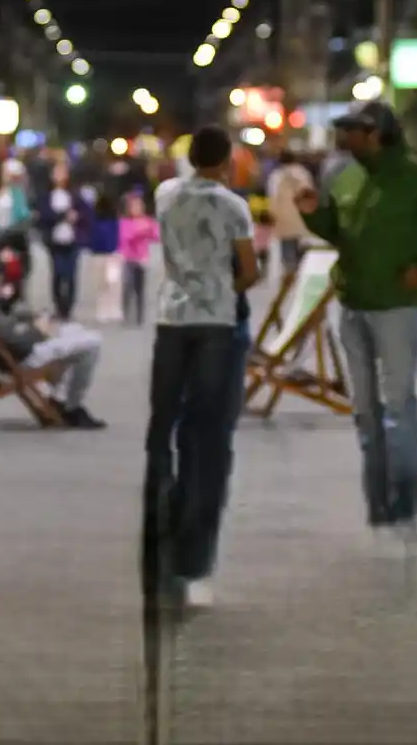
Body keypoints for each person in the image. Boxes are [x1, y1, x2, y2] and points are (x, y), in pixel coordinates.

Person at [295, 101, 417, 545]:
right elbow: (342, 232)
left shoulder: (414, 179)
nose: (342, 137)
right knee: (365, 413)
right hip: (353, 306)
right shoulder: (346, 177)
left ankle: (404, 504)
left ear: (374, 134)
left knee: (398, 407)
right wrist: (315, 215)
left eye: (350, 129)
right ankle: (377, 506)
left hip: (397, 308)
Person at [145, 126, 260, 609]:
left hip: (172, 322)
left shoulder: (165, 195)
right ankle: (194, 563)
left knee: (165, 433)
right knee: (208, 438)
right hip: (216, 325)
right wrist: (223, 287)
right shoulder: (233, 206)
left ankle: (160, 545)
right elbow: (249, 271)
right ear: (227, 160)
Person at [0, 249, 106, 429]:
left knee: (74, 331)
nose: (1, 282)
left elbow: (5, 325)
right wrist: (39, 331)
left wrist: (32, 321)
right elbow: (9, 337)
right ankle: (70, 405)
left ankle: (63, 398)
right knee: (92, 342)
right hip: (24, 356)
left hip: (20, 351)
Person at [39, 164, 86, 320]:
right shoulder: (47, 195)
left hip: (72, 240)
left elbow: (85, 213)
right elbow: (45, 215)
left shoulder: (74, 194)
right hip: (55, 241)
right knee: (58, 274)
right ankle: (59, 306)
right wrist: (63, 215)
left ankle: (68, 308)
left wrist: (77, 217)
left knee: (71, 275)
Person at [265, 150, 315, 274]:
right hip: (302, 215)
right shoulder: (303, 173)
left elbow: (272, 195)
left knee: (287, 246)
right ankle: (298, 267)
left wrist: (271, 212)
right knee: (301, 243)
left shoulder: (277, 175)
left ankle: (290, 271)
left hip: (284, 216)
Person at [118, 191, 159, 326]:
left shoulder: (147, 221)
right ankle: (126, 315)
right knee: (127, 287)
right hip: (128, 259)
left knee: (140, 289)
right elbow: (126, 237)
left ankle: (139, 317)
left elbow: (156, 235)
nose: (137, 208)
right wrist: (141, 231)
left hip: (142, 259)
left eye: (139, 205)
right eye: (134, 206)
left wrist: (149, 230)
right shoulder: (125, 222)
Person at [88, 191, 123, 323]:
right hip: (110, 254)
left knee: (104, 284)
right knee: (111, 284)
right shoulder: (112, 222)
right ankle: (111, 309)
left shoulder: (97, 221)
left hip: (103, 255)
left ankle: (105, 310)